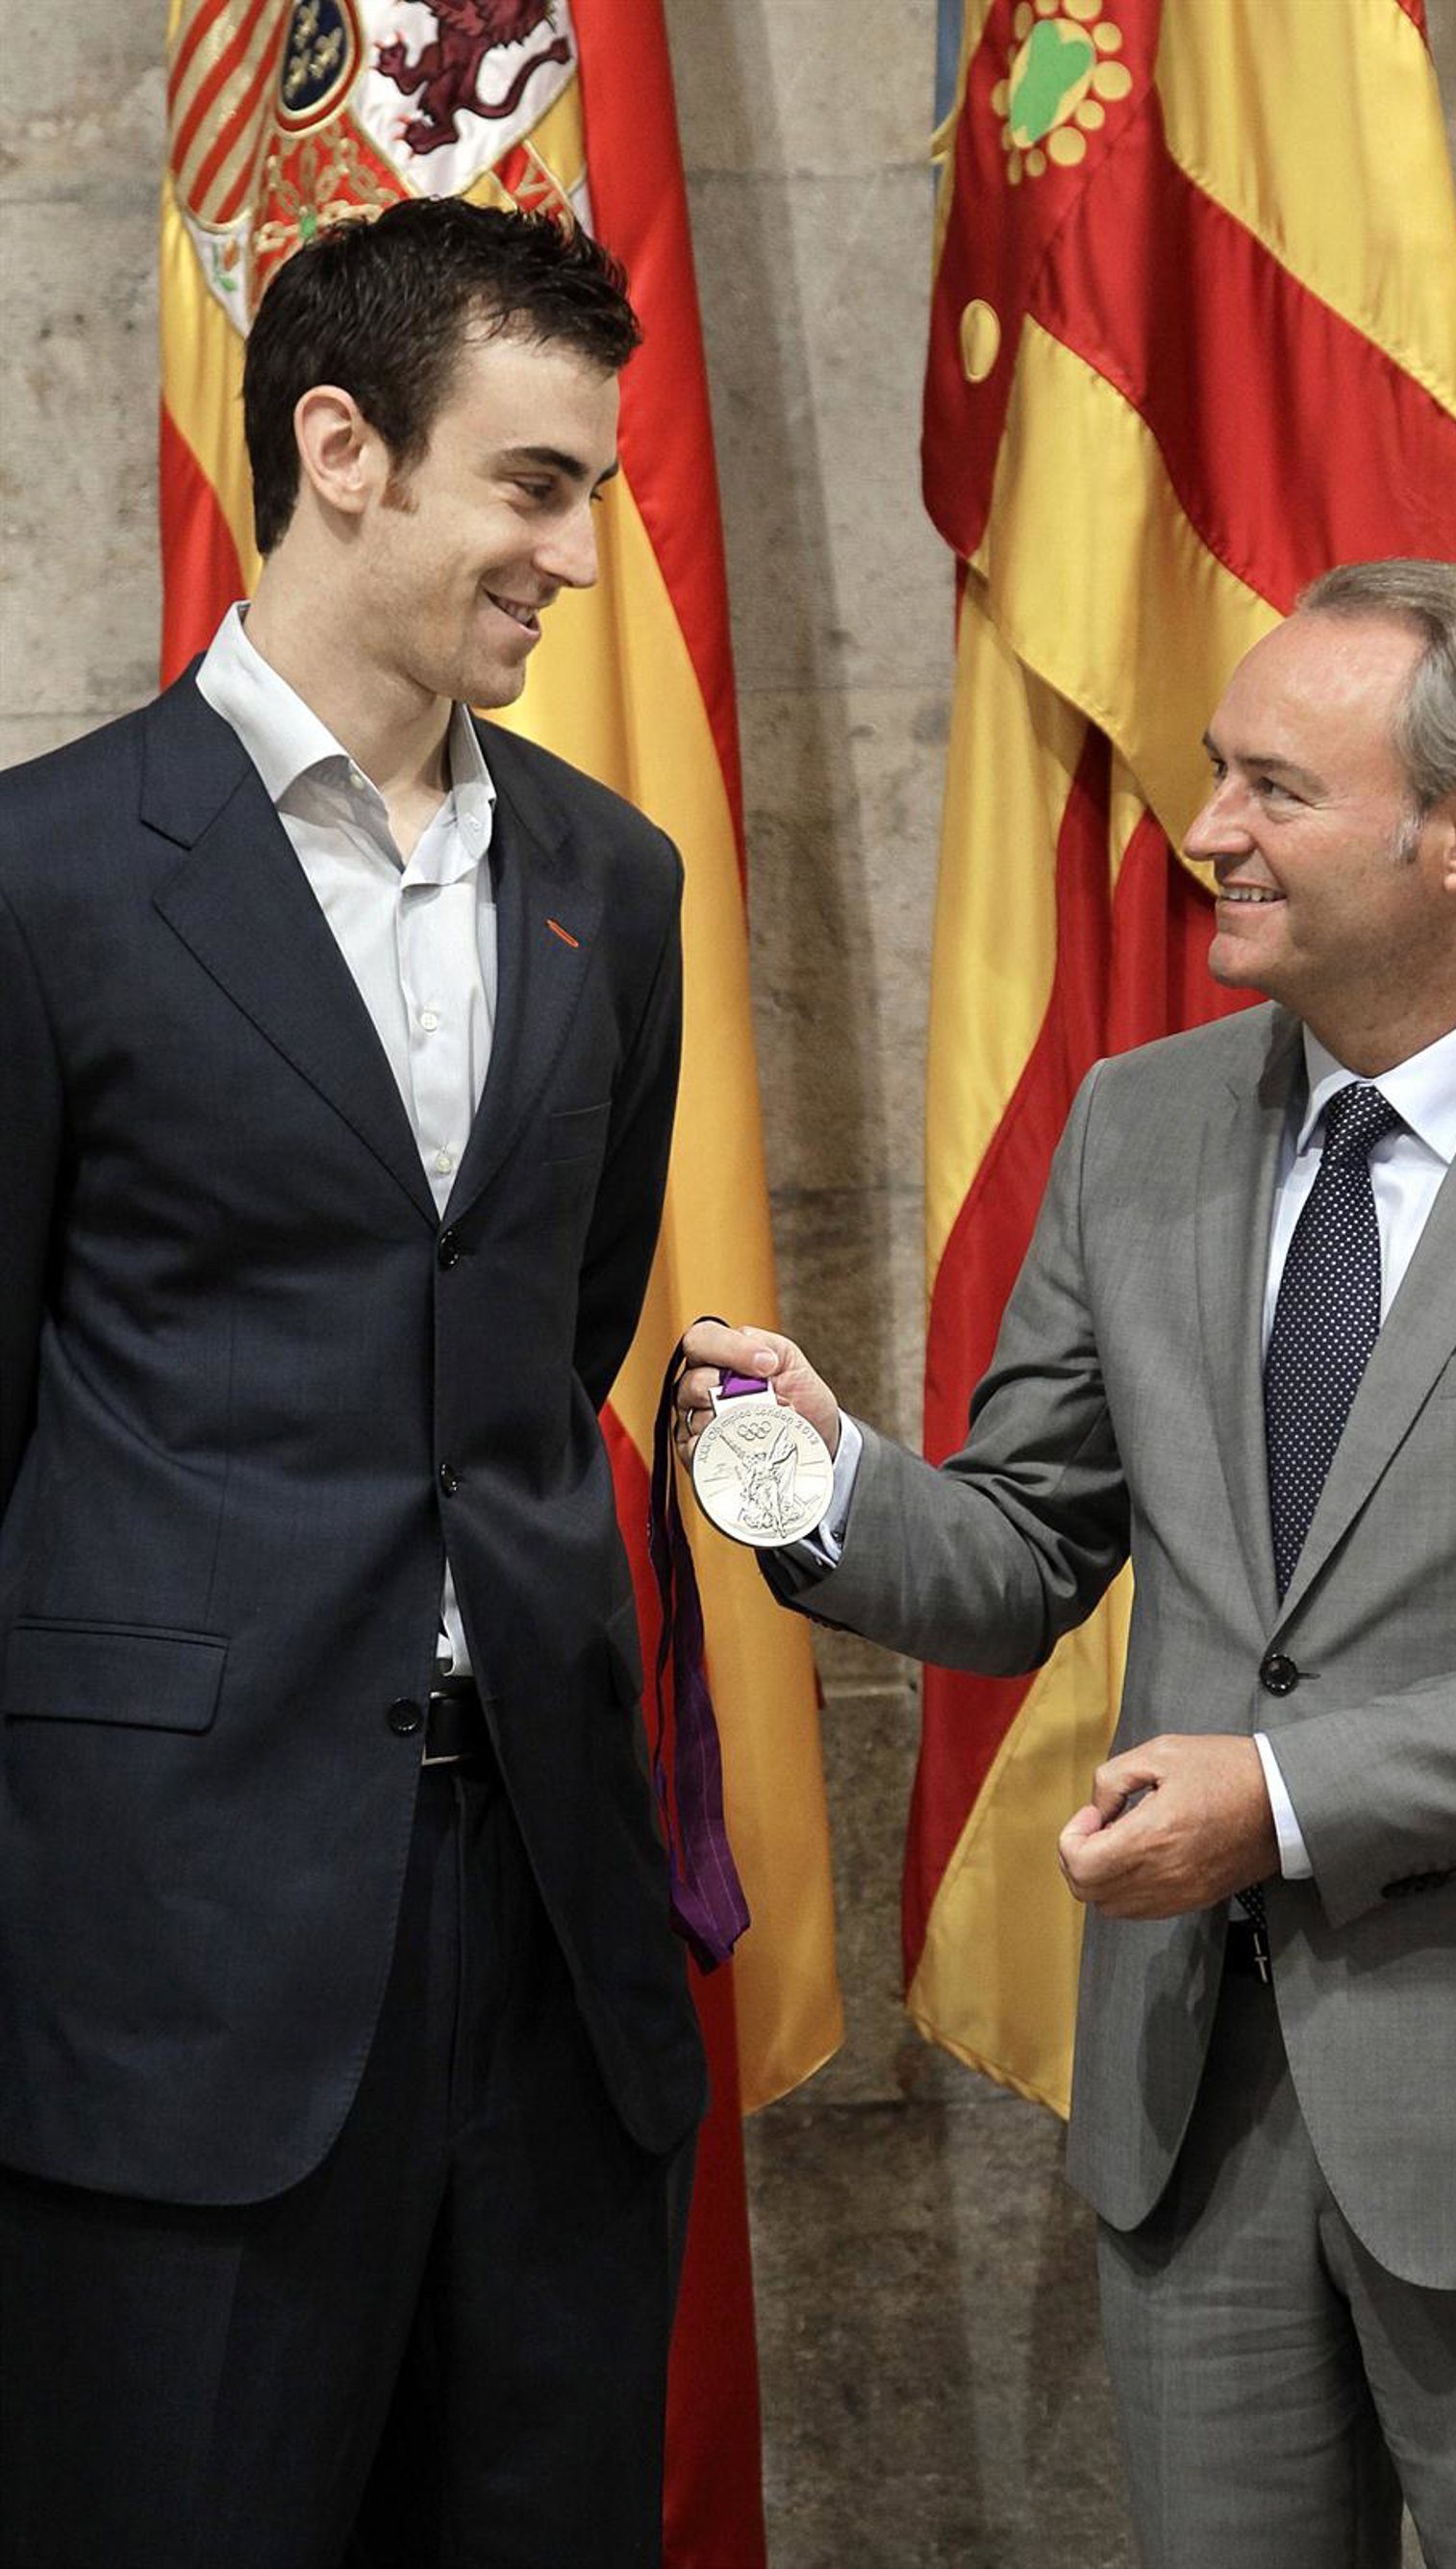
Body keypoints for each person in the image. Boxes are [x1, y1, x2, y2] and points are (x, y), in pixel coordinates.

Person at [678, 562, 1456, 2567]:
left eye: (1274, 788)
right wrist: (825, 1478)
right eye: (1221, 770)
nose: (1206, 825)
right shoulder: (1136, 1126)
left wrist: (1286, 1798)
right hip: (1194, 2133)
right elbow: (1025, 1541)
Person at [0, 198, 706, 2567]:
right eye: (536, 485)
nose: (579, 556)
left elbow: (552, 1337)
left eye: (592, 491)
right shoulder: (41, 880)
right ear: (343, 450)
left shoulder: (618, 882)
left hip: (554, 1948)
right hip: (171, 1970)